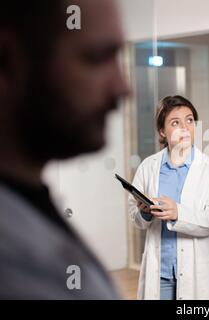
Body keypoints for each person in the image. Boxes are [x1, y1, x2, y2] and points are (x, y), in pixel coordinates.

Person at [0, 0, 130, 298]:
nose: (123, 88)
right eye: (97, 58)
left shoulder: (26, 204)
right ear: (7, 59)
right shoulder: (12, 262)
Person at [128, 95, 209, 300]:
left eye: (189, 120)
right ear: (163, 132)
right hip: (160, 273)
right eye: (176, 122)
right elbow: (134, 214)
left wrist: (178, 213)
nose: (185, 127)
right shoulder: (149, 166)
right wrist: (144, 213)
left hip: (197, 272)